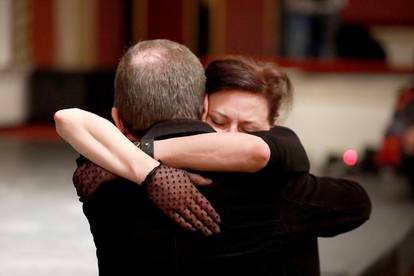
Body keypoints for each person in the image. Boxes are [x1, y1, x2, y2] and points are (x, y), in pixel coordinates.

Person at [55, 41, 371, 275]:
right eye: (221, 122)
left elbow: (73, 121)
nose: (231, 136)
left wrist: (147, 164)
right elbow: (355, 203)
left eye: (250, 128)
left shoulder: (100, 167)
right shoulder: (270, 184)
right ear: (204, 107)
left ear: (118, 120)